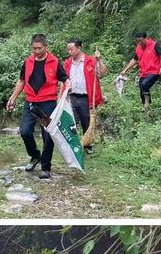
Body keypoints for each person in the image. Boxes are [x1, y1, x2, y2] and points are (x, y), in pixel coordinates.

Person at [7, 34, 71, 179]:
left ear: (45, 47)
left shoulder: (55, 62)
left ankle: (45, 167)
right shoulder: (28, 62)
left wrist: (68, 85)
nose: (36, 51)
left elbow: (65, 79)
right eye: (34, 48)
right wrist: (13, 98)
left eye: (39, 48)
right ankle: (35, 156)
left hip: (48, 103)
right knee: (25, 131)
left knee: (47, 136)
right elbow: (22, 81)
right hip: (30, 102)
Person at [64, 39, 107, 154]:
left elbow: (102, 73)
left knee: (86, 122)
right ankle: (73, 145)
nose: (69, 51)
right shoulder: (68, 63)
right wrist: (61, 97)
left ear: (79, 48)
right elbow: (64, 80)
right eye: (68, 49)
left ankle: (87, 144)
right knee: (71, 122)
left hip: (85, 97)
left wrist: (99, 60)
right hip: (72, 96)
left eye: (72, 49)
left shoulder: (90, 61)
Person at [121, 32, 161, 110]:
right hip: (144, 73)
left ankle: (147, 103)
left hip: (154, 71)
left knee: (145, 84)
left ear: (146, 38)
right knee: (141, 89)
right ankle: (146, 109)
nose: (139, 43)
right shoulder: (138, 48)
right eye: (138, 41)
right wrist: (125, 70)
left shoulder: (153, 45)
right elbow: (134, 60)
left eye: (141, 41)